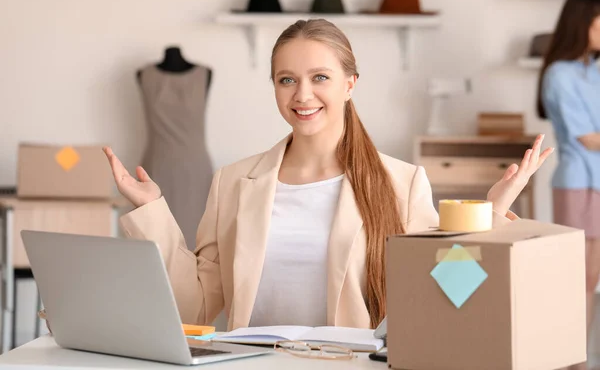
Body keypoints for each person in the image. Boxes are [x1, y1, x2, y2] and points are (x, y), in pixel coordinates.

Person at [104, 19, 552, 331]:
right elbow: (196, 307)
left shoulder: (401, 182)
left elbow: (446, 290)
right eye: (286, 80)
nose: (302, 95)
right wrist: (152, 213)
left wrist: (493, 212)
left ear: (349, 83)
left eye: (320, 77)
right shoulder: (233, 183)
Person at [537, 0, 600, 370]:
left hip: (599, 181)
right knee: (575, 276)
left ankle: (580, 358)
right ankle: (567, 358)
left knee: (592, 277)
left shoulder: (593, 70)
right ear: (583, 25)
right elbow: (587, 137)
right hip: (576, 181)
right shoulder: (560, 74)